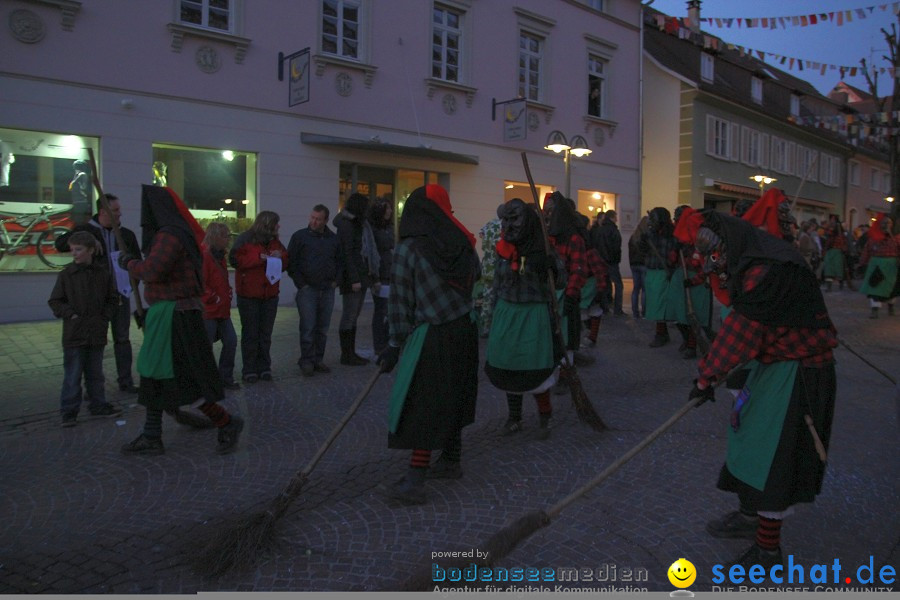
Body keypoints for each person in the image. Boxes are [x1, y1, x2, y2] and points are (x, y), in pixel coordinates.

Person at [687, 211, 837, 569]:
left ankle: (768, 551)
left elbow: (742, 331)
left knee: (774, 459)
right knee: (749, 440)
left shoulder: (767, 272)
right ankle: (750, 515)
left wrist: (705, 379)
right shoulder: (753, 259)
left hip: (799, 374)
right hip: (775, 366)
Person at [118, 185, 243, 455]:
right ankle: (152, 435)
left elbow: (152, 270)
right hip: (170, 315)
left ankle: (226, 421)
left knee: (184, 380)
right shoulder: (177, 234)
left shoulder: (170, 235)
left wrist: (130, 264)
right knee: (154, 375)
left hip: (176, 318)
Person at [376, 184, 480, 505]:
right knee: (455, 394)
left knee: (423, 404)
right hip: (464, 330)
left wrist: (394, 343)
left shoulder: (408, 250)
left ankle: (416, 480)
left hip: (432, 335)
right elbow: (476, 276)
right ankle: (451, 460)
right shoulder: (461, 241)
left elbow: (400, 300)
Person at [485, 198, 564, 439]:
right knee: (510, 367)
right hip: (507, 314)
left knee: (534, 369)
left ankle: (545, 416)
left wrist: (551, 266)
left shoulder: (544, 248)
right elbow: (495, 284)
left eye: (515, 220)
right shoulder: (502, 250)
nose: (511, 226)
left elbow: (561, 281)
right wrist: (490, 316)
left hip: (533, 315)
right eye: (507, 220)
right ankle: (514, 417)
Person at [54, 193, 142, 393]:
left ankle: (126, 381)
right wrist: (88, 238)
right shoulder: (87, 230)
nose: (120, 214)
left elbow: (137, 261)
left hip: (120, 294)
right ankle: (93, 389)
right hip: (95, 299)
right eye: (116, 210)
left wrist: (133, 282)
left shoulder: (126, 234)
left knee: (122, 339)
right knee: (94, 344)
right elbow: (60, 244)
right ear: (103, 212)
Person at [48, 231, 122, 427]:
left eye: (79, 249)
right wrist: (70, 314)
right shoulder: (67, 275)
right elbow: (55, 301)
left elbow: (113, 299)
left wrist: (105, 316)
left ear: (90, 250)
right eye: (73, 250)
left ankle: (98, 404)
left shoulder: (102, 274)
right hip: (75, 332)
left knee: (95, 373)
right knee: (73, 375)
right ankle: (69, 411)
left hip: (96, 331)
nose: (75, 254)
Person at [229, 211, 286, 383]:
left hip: (269, 295)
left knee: (265, 334)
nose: (279, 226)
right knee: (251, 334)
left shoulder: (276, 242)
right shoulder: (245, 239)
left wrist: (280, 257)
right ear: (268, 224)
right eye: (276, 223)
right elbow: (235, 260)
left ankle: (264, 367)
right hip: (249, 295)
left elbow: (286, 261)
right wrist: (259, 258)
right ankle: (249, 369)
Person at [287, 204, 341, 377]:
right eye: (312, 218)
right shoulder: (300, 237)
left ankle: (318, 359)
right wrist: (301, 284)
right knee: (308, 327)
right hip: (308, 289)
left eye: (318, 219)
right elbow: (292, 262)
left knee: (322, 327)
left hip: (327, 288)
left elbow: (341, 261)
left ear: (325, 220)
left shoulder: (333, 239)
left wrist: (336, 281)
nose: (314, 222)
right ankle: (307, 360)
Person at [333, 193, 375, 366]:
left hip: (359, 274)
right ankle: (347, 354)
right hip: (353, 276)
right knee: (350, 315)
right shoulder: (348, 225)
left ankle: (350, 353)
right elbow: (348, 254)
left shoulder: (356, 223)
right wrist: (354, 279)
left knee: (353, 314)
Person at [201, 222, 239, 390]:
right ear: (216, 237)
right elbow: (201, 283)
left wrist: (227, 293)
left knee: (231, 341)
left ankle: (224, 377)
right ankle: (208, 380)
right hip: (210, 310)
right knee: (206, 347)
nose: (228, 239)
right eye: (225, 236)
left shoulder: (218, 256)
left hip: (221, 309)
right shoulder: (206, 256)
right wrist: (214, 297)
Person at [641, 207, 678, 347]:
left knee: (662, 305)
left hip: (665, 273)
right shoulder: (650, 234)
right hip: (652, 273)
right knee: (655, 306)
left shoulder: (672, 235)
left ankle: (662, 334)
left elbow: (676, 254)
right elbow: (642, 251)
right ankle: (662, 333)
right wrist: (643, 242)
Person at [368, 196, 395, 355]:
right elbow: (373, 251)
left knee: (388, 310)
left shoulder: (389, 227)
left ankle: (387, 341)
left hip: (389, 271)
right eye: (388, 208)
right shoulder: (374, 229)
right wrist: (375, 277)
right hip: (380, 272)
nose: (390, 211)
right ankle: (379, 344)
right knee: (381, 310)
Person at [858, 214, 898, 319]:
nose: (886, 225)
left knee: (891, 288)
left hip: (891, 265)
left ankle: (891, 306)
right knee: (874, 286)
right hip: (876, 264)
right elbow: (866, 251)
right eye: (884, 223)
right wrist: (862, 264)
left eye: (889, 223)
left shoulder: (896, 238)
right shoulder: (873, 238)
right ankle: (874, 310)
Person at [594, 210, 625, 316]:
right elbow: (616, 247)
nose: (617, 219)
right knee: (618, 285)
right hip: (611, 261)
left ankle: (604, 308)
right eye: (615, 217)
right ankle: (617, 309)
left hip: (601, 261)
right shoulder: (613, 230)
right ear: (612, 217)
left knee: (604, 284)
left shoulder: (600, 230)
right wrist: (615, 259)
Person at [476, 216, 501, 338]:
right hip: (500, 268)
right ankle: (497, 327)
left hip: (487, 268)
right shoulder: (507, 226)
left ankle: (485, 327)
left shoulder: (489, 225)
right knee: (500, 300)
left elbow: (481, 235)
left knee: (487, 300)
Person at [628, 216, 649, 319]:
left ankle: (635, 312)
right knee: (645, 289)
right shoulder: (647, 237)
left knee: (636, 289)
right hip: (643, 264)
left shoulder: (634, 236)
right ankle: (644, 312)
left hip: (634, 264)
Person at [821, 215, 847, 292]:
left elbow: (844, 242)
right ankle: (829, 287)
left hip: (837, 251)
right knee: (829, 270)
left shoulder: (840, 233)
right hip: (830, 251)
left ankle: (840, 283)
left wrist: (844, 249)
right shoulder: (829, 231)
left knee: (838, 269)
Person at [68, 160, 93, 226]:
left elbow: (83, 187)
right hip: (77, 201)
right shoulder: (77, 175)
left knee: (79, 222)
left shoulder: (82, 175)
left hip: (81, 202)